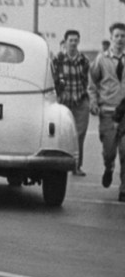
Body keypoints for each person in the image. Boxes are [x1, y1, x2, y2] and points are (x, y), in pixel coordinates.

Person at [88, 22, 125, 198]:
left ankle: (124, 188)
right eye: (117, 36)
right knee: (110, 151)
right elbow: (92, 82)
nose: (120, 39)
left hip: (124, 111)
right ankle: (108, 166)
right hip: (108, 111)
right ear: (111, 38)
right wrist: (94, 102)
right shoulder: (101, 60)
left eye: (123, 36)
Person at [52, 30, 91, 176]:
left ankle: (76, 165)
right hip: (64, 102)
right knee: (61, 134)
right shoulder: (58, 59)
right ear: (65, 41)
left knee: (79, 134)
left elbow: (87, 80)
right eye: (71, 40)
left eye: (76, 40)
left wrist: (87, 97)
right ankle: (59, 165)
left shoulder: (84, 60)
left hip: (80, 100)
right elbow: (54, 79)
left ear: (78, 42)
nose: (73, 43)